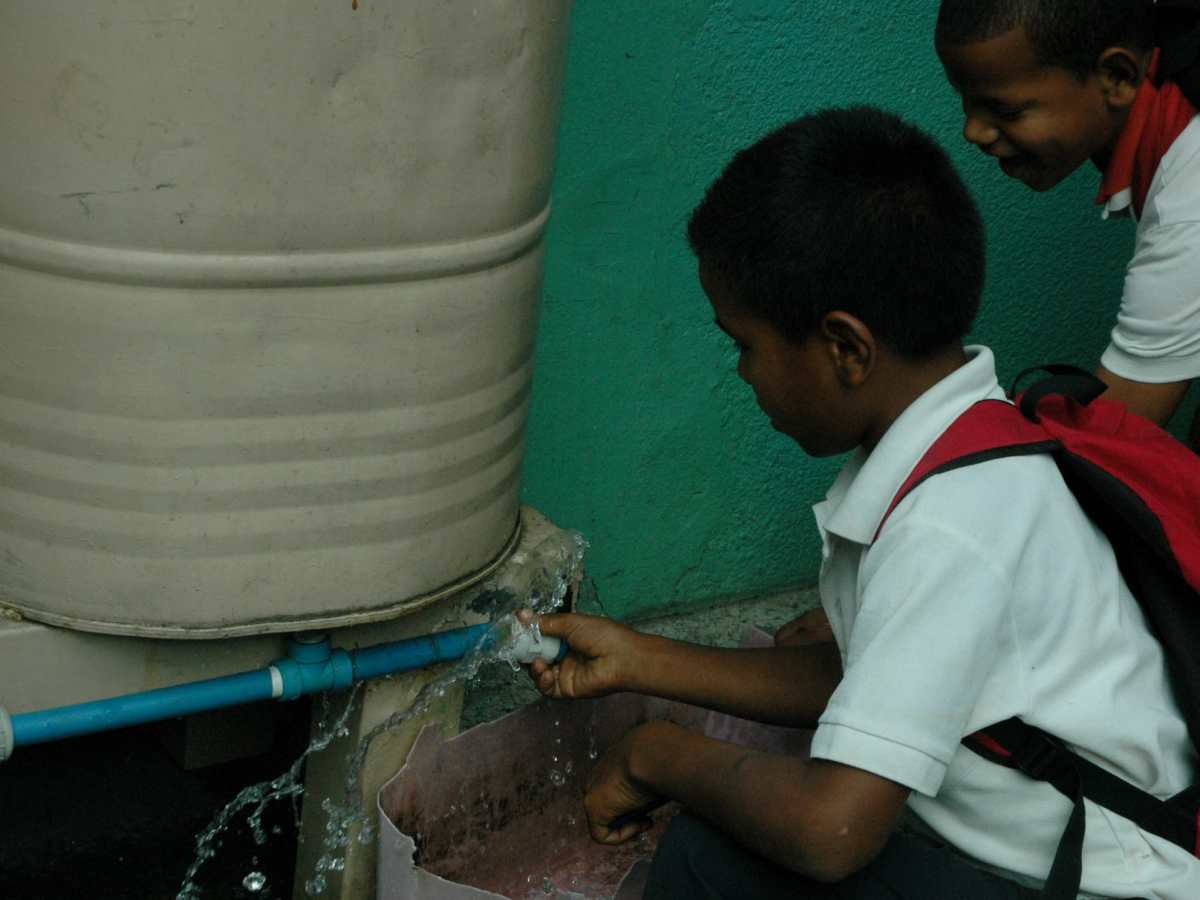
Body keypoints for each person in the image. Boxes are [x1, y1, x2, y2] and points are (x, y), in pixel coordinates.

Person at [522, 106, 1200, 898]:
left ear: (845, 349)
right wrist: (645, 662)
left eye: (745, 344)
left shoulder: (953, 525)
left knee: (709, 861)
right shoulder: (975, 444)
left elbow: (830, 831)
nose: (742, 374)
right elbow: (881, 673)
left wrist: (657, 756)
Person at [934, 0, 1200, 437]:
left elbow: (1112, 439)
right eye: (966, 100)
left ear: (1117, 77)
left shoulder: (1189, 207)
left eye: (1006, 109)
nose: (973, 131)